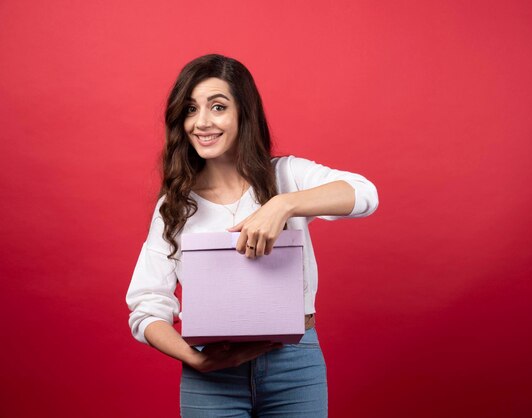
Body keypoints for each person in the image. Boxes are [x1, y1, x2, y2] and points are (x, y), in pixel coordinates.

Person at [126, 54, 378, 417]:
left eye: (217, 107)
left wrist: (284, 206)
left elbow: (364, 194)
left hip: (295, 363)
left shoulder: (287, 176)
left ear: (244, 113)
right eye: (191, 110)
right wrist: (193, 359)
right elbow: (147, 304)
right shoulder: (176, 205)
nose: (202, 122)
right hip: (211, 373)